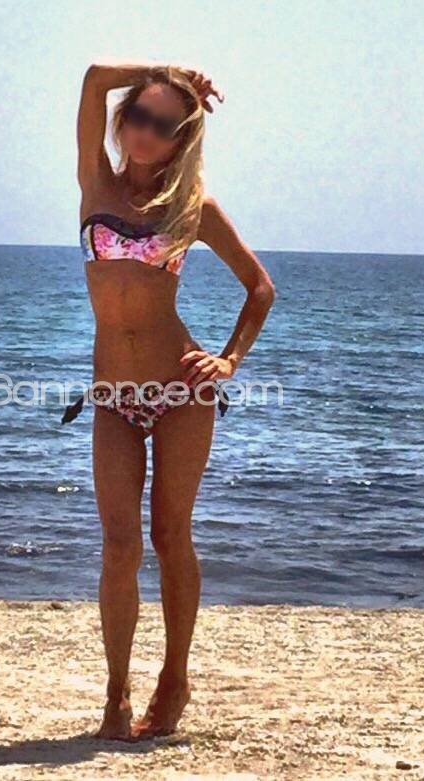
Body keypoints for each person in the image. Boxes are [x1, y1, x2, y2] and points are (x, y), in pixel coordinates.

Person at [72, 61, 276, 741]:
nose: (145, 131)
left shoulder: (193, 207)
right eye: (138, 115)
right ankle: (115, 695)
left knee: (168, 536)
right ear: (123, 117)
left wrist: (228, 360)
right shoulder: (95, 182)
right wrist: (167, 70)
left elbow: (260, 288)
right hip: (113, 397)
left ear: (181, 137)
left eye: (163, 124)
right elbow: (94, 78)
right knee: (117, 546)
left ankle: (174, 678)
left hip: (181, 393)